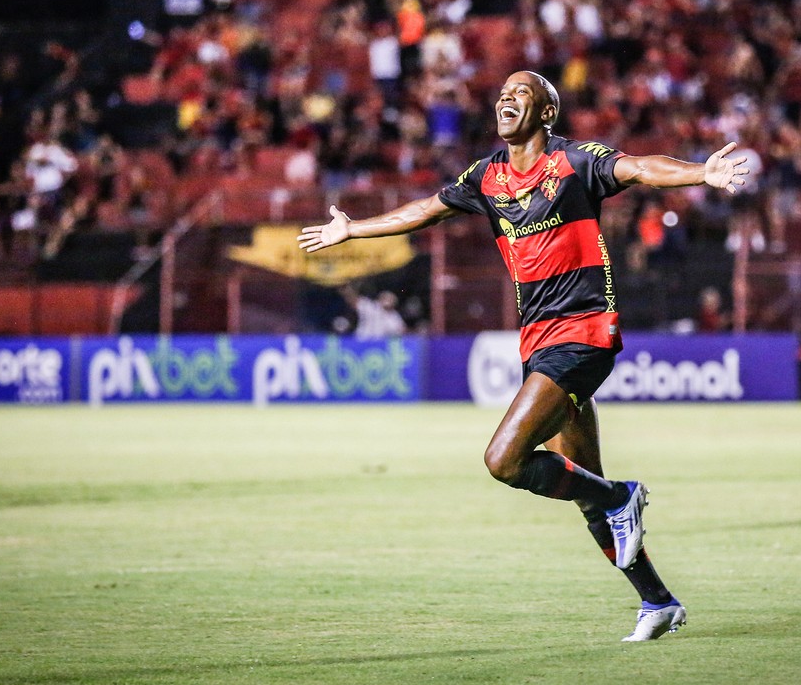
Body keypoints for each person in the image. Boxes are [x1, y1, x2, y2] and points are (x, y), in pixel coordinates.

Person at [299, 70, 748, 641]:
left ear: (546, 113)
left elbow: (638, 167)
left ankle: (622, 498)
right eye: (503, 93)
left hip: (584, 331)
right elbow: (426, 209)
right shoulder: (487, 176)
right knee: (585, 485)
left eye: (522, 93)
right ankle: (656, 599)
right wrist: (355, 230)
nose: (506, 98)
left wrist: (700, 172)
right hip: (538, 343)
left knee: (505, 460)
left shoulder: (574, 161)